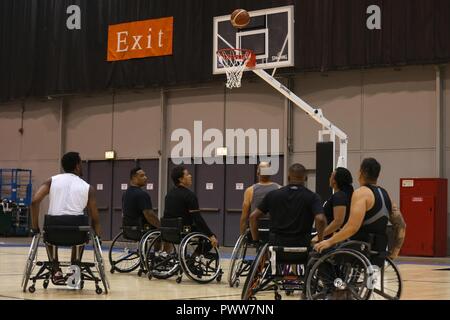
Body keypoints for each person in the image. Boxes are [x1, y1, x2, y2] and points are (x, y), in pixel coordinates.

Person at [30, 152, 101, 284]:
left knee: (50, 228)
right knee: (81, 227)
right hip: (77, 235)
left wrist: (35, 227)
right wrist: (98, 236)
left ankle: (56, 269)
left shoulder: (51, 181)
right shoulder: (88, 188)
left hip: (53, 233)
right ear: (77, 166)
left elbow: (35, 202)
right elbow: (95, 217)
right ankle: (74, 269)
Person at [315, 158, 392, 266]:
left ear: (362, 172)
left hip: (359, 247)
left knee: (317, 254)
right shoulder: (385, 194)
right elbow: (401, 225)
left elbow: (352, 227)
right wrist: (395, 251)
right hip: (379, 247)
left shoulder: (361, 193)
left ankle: (328, 282)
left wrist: (329, 241)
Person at [249, 163, 327, 248]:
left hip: (277, 244)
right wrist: (321, 240)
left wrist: (255, 241)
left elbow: (253, 217)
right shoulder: (313, 197)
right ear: (306, 178)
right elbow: (320, 219)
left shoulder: (272, 195)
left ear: (288, 177)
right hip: (302, 244)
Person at [164, 166, 218, 247]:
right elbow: (197, 218)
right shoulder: (190, 195)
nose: (190, 176)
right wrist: (211, 235)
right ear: (181, 179)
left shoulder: (169, 194)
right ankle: (195, 256)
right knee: (211, 240)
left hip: (170, 230)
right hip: (185, 229)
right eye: (187, 174)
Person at [312, 167, 353, 243]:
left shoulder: (339, 196)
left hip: (331, 237)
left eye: (331, 176)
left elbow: (338, 221)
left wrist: (319, 236)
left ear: (335, 181)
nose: (329, 178)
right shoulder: (339, 196)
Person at [240, 162, 280, 235]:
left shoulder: (250, 191)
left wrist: (242, 234)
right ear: (270, 173)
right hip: (274, 231)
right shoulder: (279, 188)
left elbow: (244, 217)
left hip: (256, 231)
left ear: (258, 173)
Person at [122, 167, 160, 238]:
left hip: (127, 228)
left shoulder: (125, 194)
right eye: (142, 176)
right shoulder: (142, 194)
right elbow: (149, 215)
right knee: (164, 233)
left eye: (145, 175)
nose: (145, 178)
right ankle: (159, 249)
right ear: (134, 178)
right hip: (141, 228)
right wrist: (160, 226)